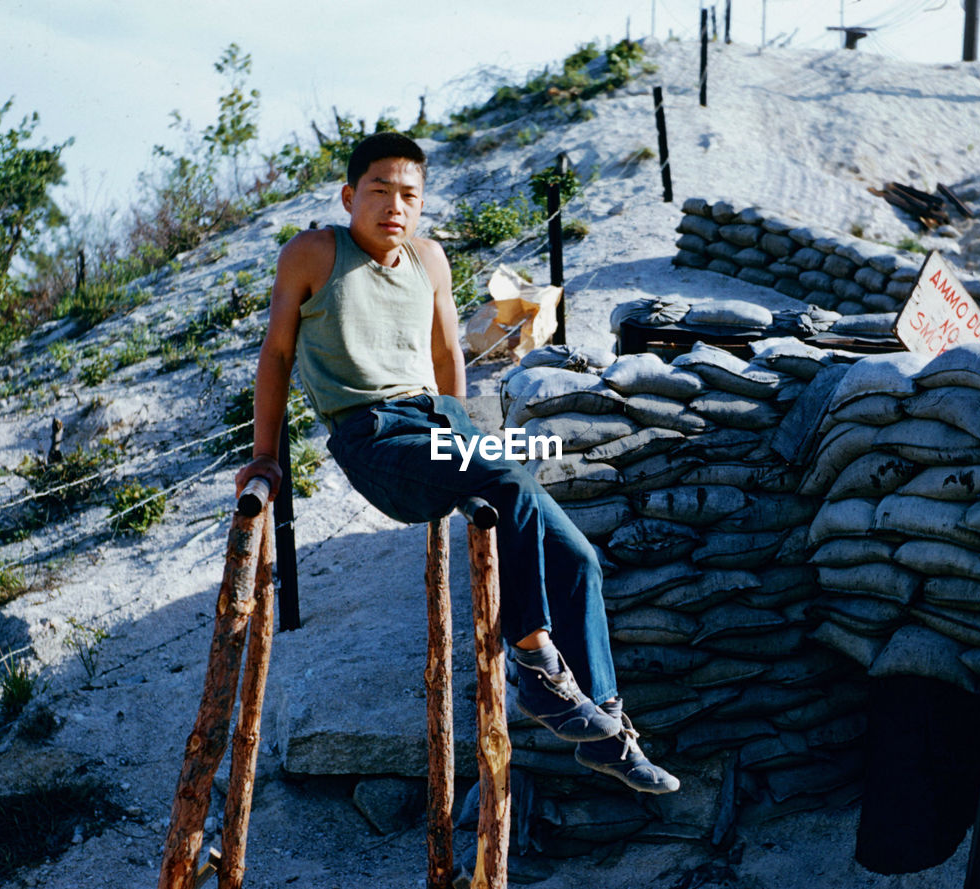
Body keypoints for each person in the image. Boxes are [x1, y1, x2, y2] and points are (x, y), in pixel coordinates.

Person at [234, 132, 678, 794]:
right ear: (350, 196)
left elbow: (449, 354)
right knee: (506, 480)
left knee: (576, 556)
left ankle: (609, 730)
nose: (394, 206)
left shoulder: (430, 259)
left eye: (408, 194)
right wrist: (265, 457)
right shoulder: (315, 253)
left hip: (440, 424)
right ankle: (534, 665)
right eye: (379, 191)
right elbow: (275, 354)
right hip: (375, 435)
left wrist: (462, 427)